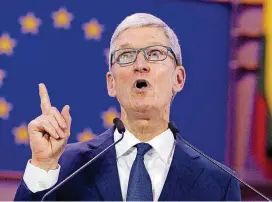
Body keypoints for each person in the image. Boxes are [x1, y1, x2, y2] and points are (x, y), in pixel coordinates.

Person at [14, 13, 241, 201]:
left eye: (155, 53)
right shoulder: (64, 165)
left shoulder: (219, 183)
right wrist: (43, 165)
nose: (140, 65)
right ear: (111, 83)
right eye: (126, 55)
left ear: (178, 79)